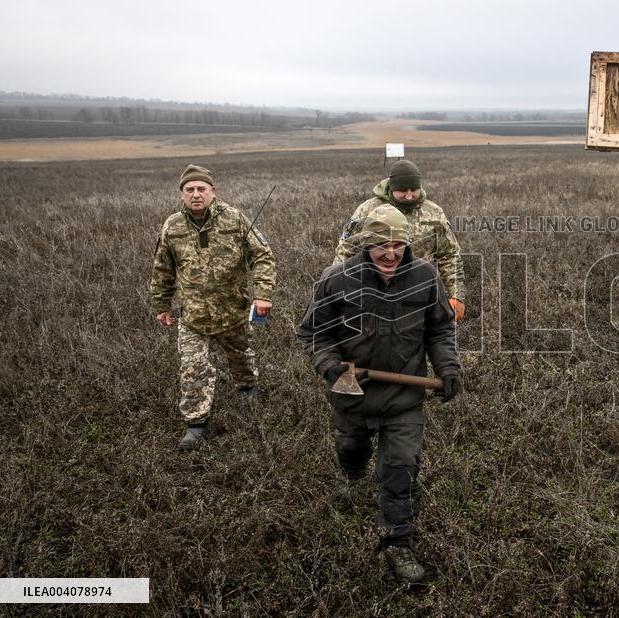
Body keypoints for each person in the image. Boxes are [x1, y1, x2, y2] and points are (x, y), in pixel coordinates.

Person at [299, 204, 463, 585]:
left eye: (399, 245)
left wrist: (448, 368)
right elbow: (314, 333)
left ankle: (397, 543)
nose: (391, 253)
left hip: (404, 397)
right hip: (351, 393)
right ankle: (352, 464)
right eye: (381, 246)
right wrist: (329, 365)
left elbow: (440, 329)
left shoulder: (425, 277)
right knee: (351, 449)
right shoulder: (336, 280)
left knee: (401, 468)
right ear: (365, 246)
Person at [149, 164, 276, 451]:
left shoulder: (234, 219)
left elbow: (263, 256)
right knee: (193, 368)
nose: (196, 194)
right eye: (189, 189)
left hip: (232, 312)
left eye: (201, 189)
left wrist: (263, 294)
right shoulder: (172, 226)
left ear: (213, 191)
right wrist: (162, 304)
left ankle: (247, 392)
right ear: (182, 194)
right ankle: (196, 424)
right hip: (193, 316)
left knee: (242, 358)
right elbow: (162, 269)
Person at [334, 159, 466, 322]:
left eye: (414, 189)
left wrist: (457, 295)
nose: (410, 195)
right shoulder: (367, 211)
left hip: (420, 297)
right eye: (403, 190)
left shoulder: (434, 213)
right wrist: (337, 294)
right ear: (392, 188)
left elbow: (449, 255)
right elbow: (345, 253)